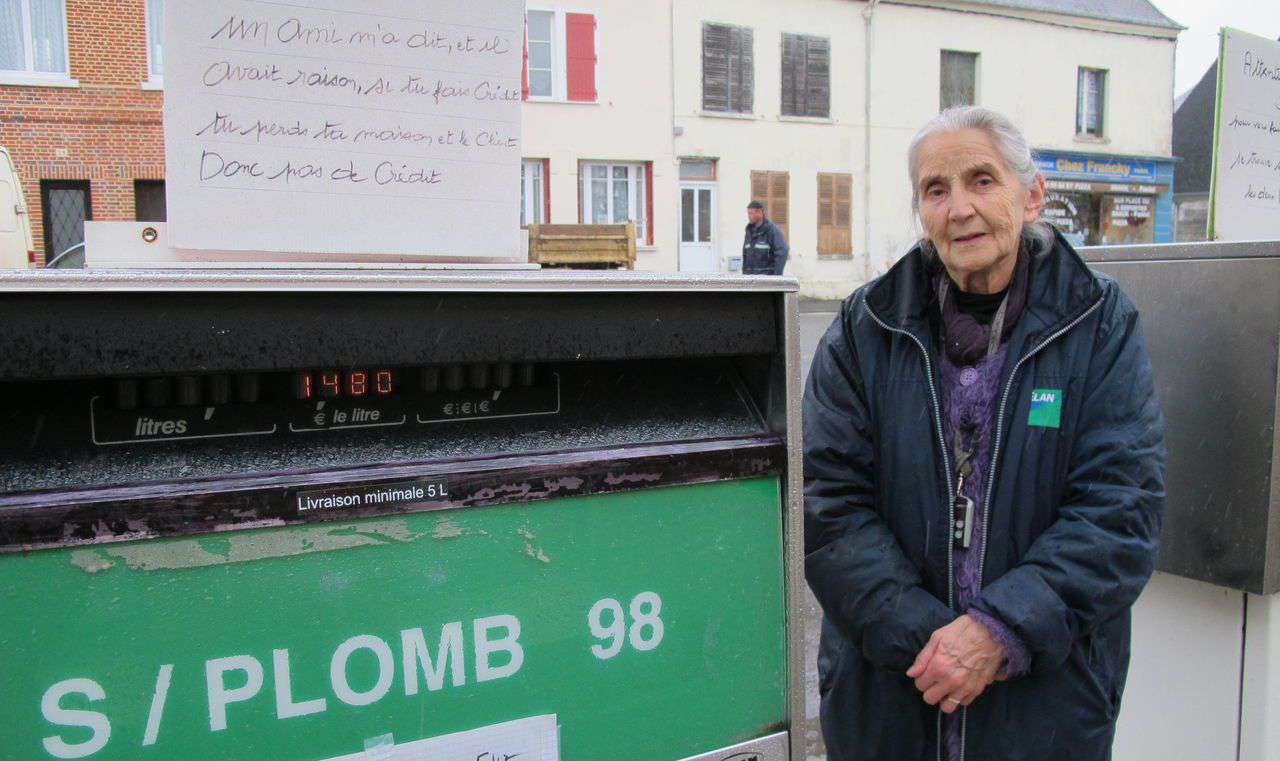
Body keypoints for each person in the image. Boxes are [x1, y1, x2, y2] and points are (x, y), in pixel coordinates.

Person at [803, 105, 1165, 761]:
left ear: (1031, 197)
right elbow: (828, 503)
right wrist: (931, 643)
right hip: (894, 695)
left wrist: (996, 632)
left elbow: (1121, 506)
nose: (959, 207)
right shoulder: (865, 328)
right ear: (920, 210)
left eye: (982, 180)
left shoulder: (1099, 323)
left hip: (1042, 708)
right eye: (935, 190)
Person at [742, 200, 788, 275]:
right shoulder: (748, 232)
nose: (748, 216)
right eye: (748, 213)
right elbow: (745, 256)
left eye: (751, 213)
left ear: (760, 212)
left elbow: (782, 252)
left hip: (766, 281)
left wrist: (777, 276)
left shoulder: (772, 230)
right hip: (750, 281)